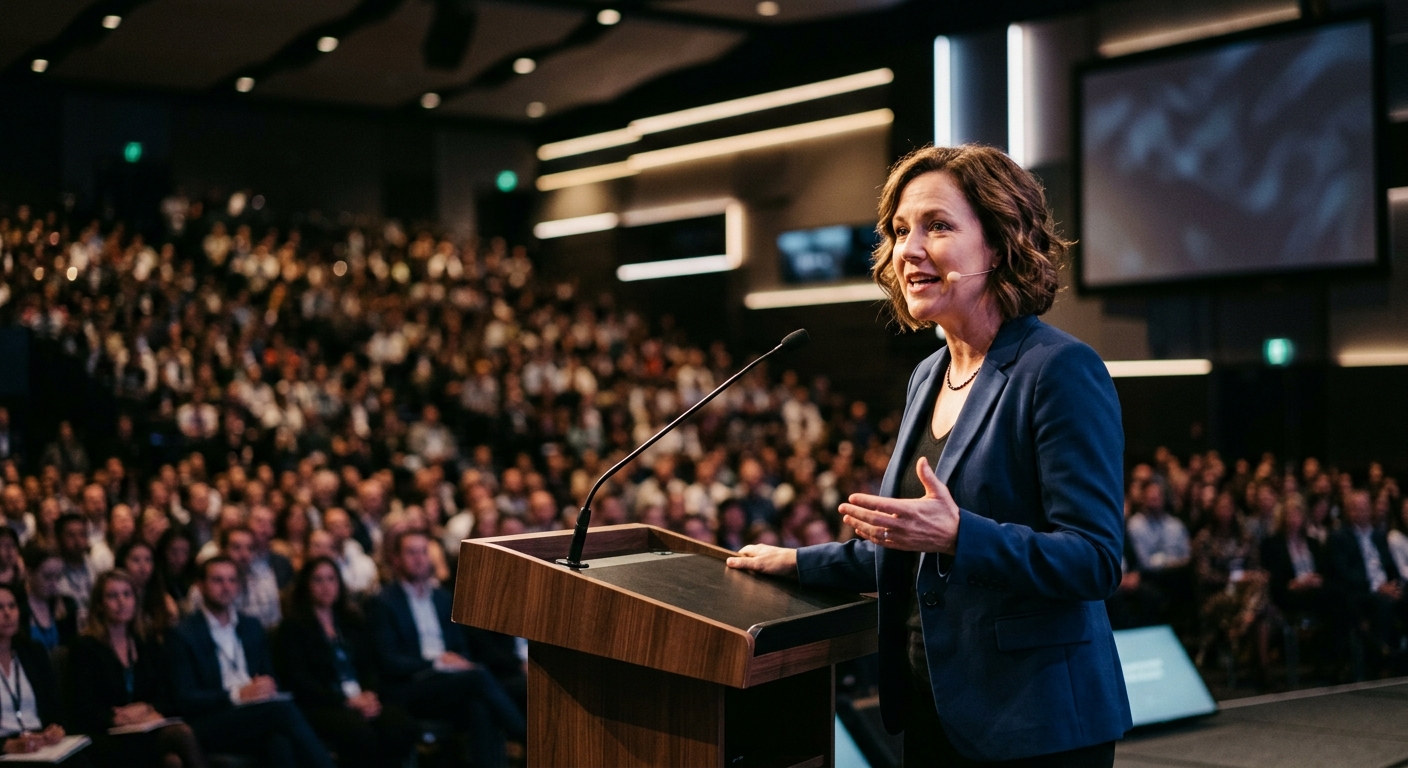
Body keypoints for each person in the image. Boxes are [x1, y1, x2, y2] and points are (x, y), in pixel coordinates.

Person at [727, 144, 1130, 765]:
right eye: (898, 230)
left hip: (1036, 722)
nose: (907, 249)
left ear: (998, 244)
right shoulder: (927, 375)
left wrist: (961, 535)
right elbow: (912, 545)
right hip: (933, 710)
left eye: (937, 226)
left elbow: (1095, 560)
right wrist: (798, 562)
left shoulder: (1059, 370)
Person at [368, 530, 525, 768]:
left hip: (449, 683)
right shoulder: (383, 602)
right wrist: (436, 662)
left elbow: (460, 647)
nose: (419, 558)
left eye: (423, 551)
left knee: (479, 706)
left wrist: (457, 662)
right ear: (396, 559)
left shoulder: (442, 598)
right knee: (478, 677)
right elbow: (389, 661)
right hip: (412, 684)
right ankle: (530, 741)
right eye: (411, 552)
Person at [167, 557, 334, 768]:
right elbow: (185, 698)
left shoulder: (251, 626)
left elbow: (270, 675)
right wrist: (237, 695)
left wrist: (268, 686)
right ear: (200, 586)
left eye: (232, 581)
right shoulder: (183, 634)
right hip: (211, 719)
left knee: (278, 741)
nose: (226, 587)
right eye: (217, 581)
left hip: (256, 714)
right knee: (281, 711)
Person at [277, 557, 417, 768]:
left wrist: (369, 694)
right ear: (306, 585)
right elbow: (300, 680)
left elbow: (369, 665)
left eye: (331, 579)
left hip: (360, 697)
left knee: (400, 725)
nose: (326, 586)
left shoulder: (351, 621)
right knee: (360, 733)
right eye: (318, 580)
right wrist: (345, 700)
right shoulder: (293, 627)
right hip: (323, 703)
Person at [70, 570, 206, 768]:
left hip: (145, 729)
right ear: (99, 605)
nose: (121, 601)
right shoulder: (85, 647)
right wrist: (115, 717)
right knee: (179, 738)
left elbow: (168, 695)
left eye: (127, 594)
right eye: (112, 596)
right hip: (106, 735)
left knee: (173, 761)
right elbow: (81, 707)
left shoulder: (146, 642)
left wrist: (148, 708)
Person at [1326, 490, 1406, 662]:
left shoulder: (1379, 535)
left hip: (1386, 586)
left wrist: (1395, 585)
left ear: (1370, 509)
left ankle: (1401, 652)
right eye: (1356, 508)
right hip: (1361, 590)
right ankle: (1383, 657)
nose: (1361, 512)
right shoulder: (1339, 537)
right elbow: (1343, 572)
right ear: (1348, 510)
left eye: (1364, 508)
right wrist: (1378, 587)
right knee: (1383, 604)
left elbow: (1391, 567)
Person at [0, 582, 69, 757]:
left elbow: (55, 707)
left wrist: (55, 728)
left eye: (12, 606)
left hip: (40, 743)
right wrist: (6, 745)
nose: (7, 613)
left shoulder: (32, 652)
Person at [116, 541, 179, 640]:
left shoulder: (164, 600)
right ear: (123, 563)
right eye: (136, 560)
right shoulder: (118, 598)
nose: (143, 566)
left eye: (148, 560)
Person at [20, 547, 77, 651]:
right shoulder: (19, 607)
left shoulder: (67, 606)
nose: (54, 584)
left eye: (58, 577)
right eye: (47, 577)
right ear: (29, 573)